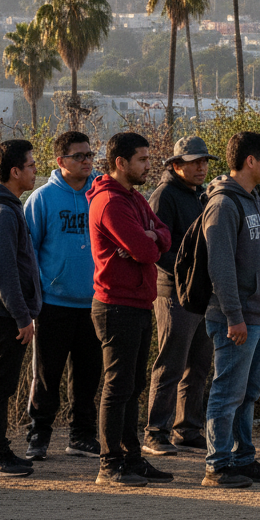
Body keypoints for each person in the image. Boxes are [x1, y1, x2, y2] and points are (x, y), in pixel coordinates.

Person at [88, 131, 172, 488]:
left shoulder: (134, 198)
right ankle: (110, 464)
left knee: (134, 383)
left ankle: (132, 458)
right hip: (115, 305)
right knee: (118, 385)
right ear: (120, 163)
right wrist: (147, 238)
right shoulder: (110, 202)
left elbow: (164, 236)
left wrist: (151, 235)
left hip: (137, 303)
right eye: (142, 159)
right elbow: (148, 251)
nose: (148, 165)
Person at [202, 131, 260, 488]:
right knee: (227, 392)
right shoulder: (223, 205)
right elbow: (220, 268)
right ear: (250, 161)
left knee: (248, 392)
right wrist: (234, 316)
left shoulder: (254, 200)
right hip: (236, 318)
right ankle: (217, 466)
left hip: (259, 317)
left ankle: (242, 457)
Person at [23, 131, 101, 462]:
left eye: (89, 155)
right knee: (46, 375)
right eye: (79, 156)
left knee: (88, 376)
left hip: (95, 303)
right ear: (61, 161)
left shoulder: (101, 193)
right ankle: (38, 436)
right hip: (53, 305)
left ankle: (82, 437)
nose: (86, 161)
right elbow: (27, 252)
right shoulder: (42, 200)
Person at [143, 135, 219, 456]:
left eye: (204, 162)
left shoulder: (200, 196)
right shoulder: (164, 196)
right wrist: (191, 272)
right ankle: (155, 433)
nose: (201, 167)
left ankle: (186, 429)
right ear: (176, 166)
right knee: (171, 363)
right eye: (194, 162)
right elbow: (159, 250)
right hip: (172, 292)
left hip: (200, 293)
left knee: (199, 365)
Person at [0, 140, 42, 477]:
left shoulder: (7, 206)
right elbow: (5, 272)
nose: (34, 170)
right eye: (30, 165)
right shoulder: (0, 212)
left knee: (2, 382)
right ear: (14, 171)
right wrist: (22, 316)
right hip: (0, 313)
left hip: (6, 311)